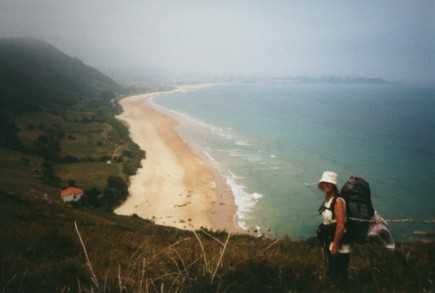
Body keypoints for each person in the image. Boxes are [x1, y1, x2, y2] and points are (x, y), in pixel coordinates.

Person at [317, 171, 350, 286]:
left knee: (339, 275)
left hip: (339, 243)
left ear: (333, 185)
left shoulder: (338, 201)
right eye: (324, 183)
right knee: (331, 271)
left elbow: (341, 225)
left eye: (328, 183)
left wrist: (335, 245)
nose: (325, 185)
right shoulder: (328, 198)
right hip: (329, 240)